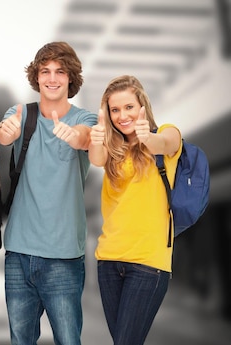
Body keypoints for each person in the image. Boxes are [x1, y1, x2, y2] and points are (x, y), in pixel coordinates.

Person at [0, 41, 96, 345]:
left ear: (71, 78)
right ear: (36, 77)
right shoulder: (20, 114)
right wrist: (5, 134)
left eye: (60, 72)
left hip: (64, 256)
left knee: (68, 340)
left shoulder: (84, 120)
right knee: (20, 340)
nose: (52, 78)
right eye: (45, 71)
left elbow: (86, 138)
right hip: (19, 253)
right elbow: (3, 133)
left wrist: (74, 137)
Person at [88, 75, 181, 345]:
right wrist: (98, 132)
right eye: (114, 110)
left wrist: (146, 137)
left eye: (128, 107)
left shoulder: (168, 131)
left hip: (148, 263)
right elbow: (96, 159)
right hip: (108, 259)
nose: (122, 115)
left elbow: (164, 144)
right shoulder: (113, 149)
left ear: (142, 105)